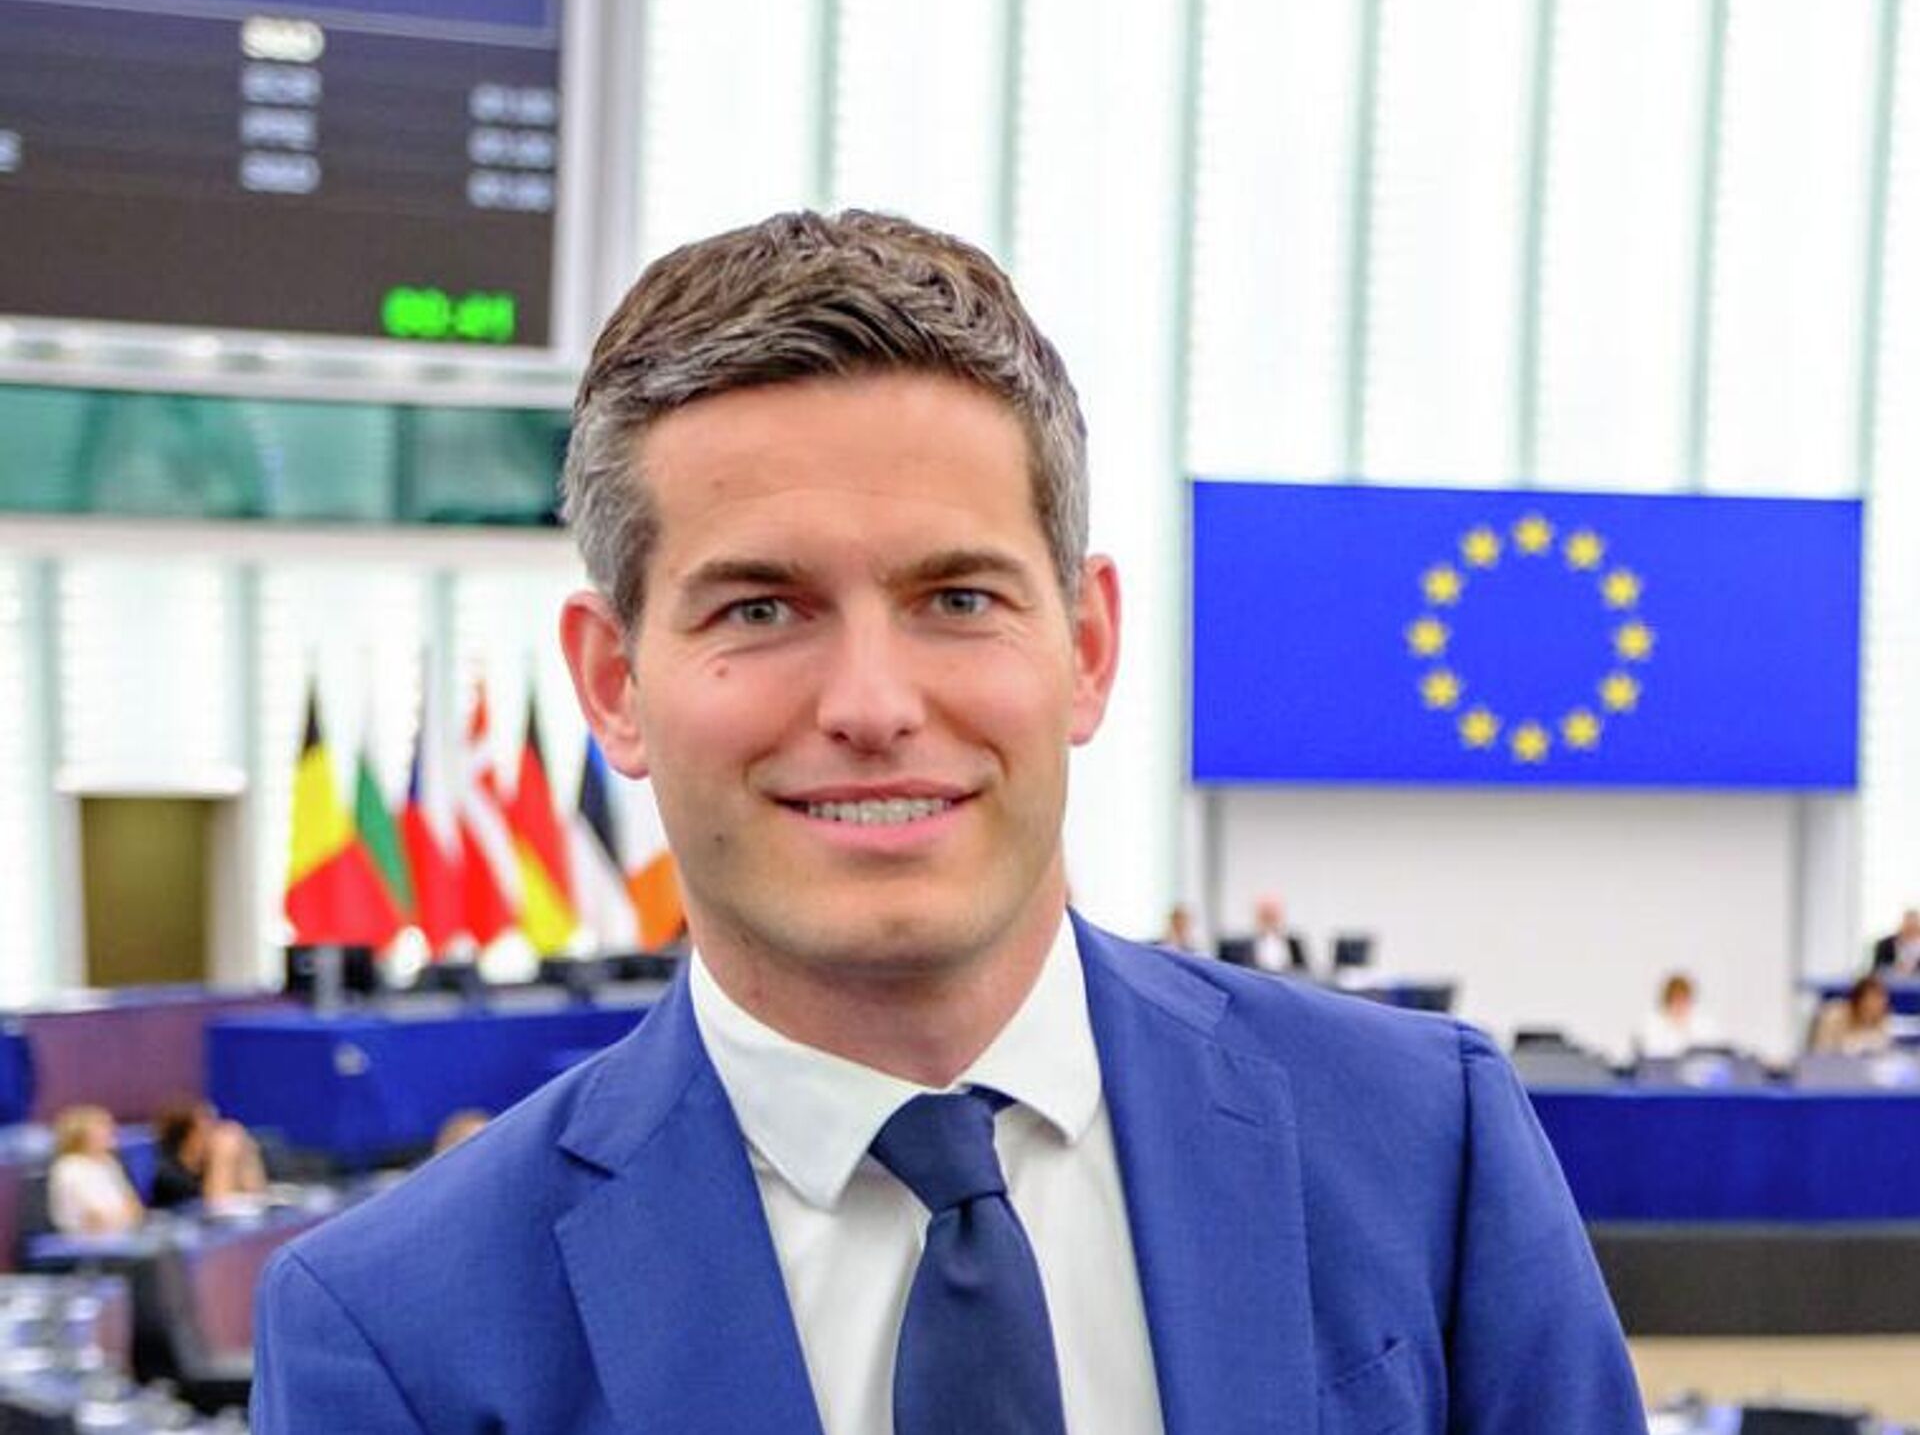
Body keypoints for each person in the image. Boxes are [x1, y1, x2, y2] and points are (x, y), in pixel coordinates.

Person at [252, 210, 1644, 1433]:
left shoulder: (1426, 1146)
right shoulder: (402, 1331)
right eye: (761, 607)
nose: (872, 704)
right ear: (615, 683)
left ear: (1087, 646)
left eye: (958, 598)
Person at [149, 1100, 269, 1211]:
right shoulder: (166, 1175)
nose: (215, 1133)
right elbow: (219, 1213)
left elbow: (259, 1204)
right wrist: (223, 1158)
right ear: (190, 1136)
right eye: (208, 1126)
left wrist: (246, 1155)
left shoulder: (208, 1163)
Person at [47, 1105, 143, 1237]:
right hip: (83, 1241)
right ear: (81, 1136)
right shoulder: (69, 1167)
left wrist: (126, 1217)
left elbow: (136, 1209)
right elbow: (95, 1220)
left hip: (122, 1234)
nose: (111, 1130)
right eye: (102, 1127)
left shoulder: (109, 1162)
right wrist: (125, 1217)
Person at [1635, 973, 1723, 1060]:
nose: (1680, 1004)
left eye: (1684, 999)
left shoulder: (1704, 1025)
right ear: (1667, 1002)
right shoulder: (1653, 1026)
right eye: (1675, 999)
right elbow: (1651, 1055)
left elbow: (1714, 1054)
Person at [1216, 894, 1310, 974]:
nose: (1270, 917)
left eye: (1273, 913)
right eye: (1265, 913)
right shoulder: (1235, 948)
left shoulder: (1294, 944)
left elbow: (1303, 973)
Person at [1811, 973, 1895, 1056]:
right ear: (1857, 1001)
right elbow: (1821, 1053)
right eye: (1870, 1004)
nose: (1875, 1008)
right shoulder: (1833, 1017)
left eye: (1881, 1004)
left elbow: (1882, 1052)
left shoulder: (1883, 1021)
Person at [1872, 908, 1920, 975]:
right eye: (1908, 924)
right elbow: (1877, 971)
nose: (1911, 928)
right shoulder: (1885, 945)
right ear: (1901, 925)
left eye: (1914, 925)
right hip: (1890, 979)